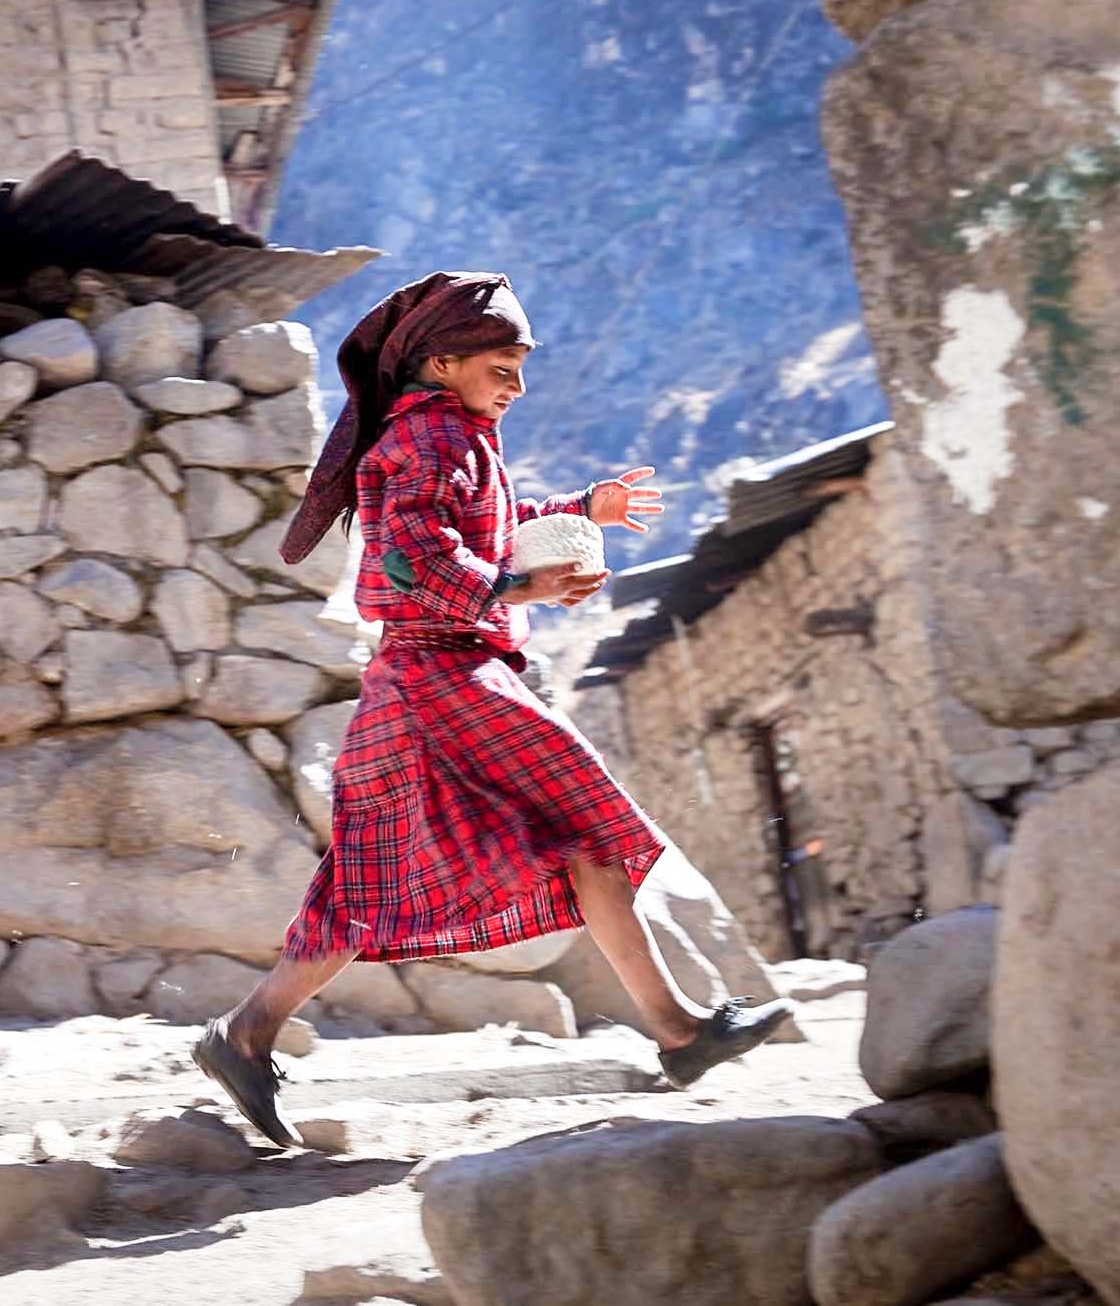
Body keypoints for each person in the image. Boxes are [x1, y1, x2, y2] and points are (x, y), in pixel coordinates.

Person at [192, 271, 794, 1148]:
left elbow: (483, 528)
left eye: (520, 369)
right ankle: (680, 1031)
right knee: (581, 827)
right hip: (440, 682)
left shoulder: (452, 435)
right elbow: (408, 558)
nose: (516, 385)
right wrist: (522, 586)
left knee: (414, 877)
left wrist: (582, 511)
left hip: (439, 679)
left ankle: (680, 1031)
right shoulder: (431, 437)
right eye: (502, 366)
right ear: (442, 361)